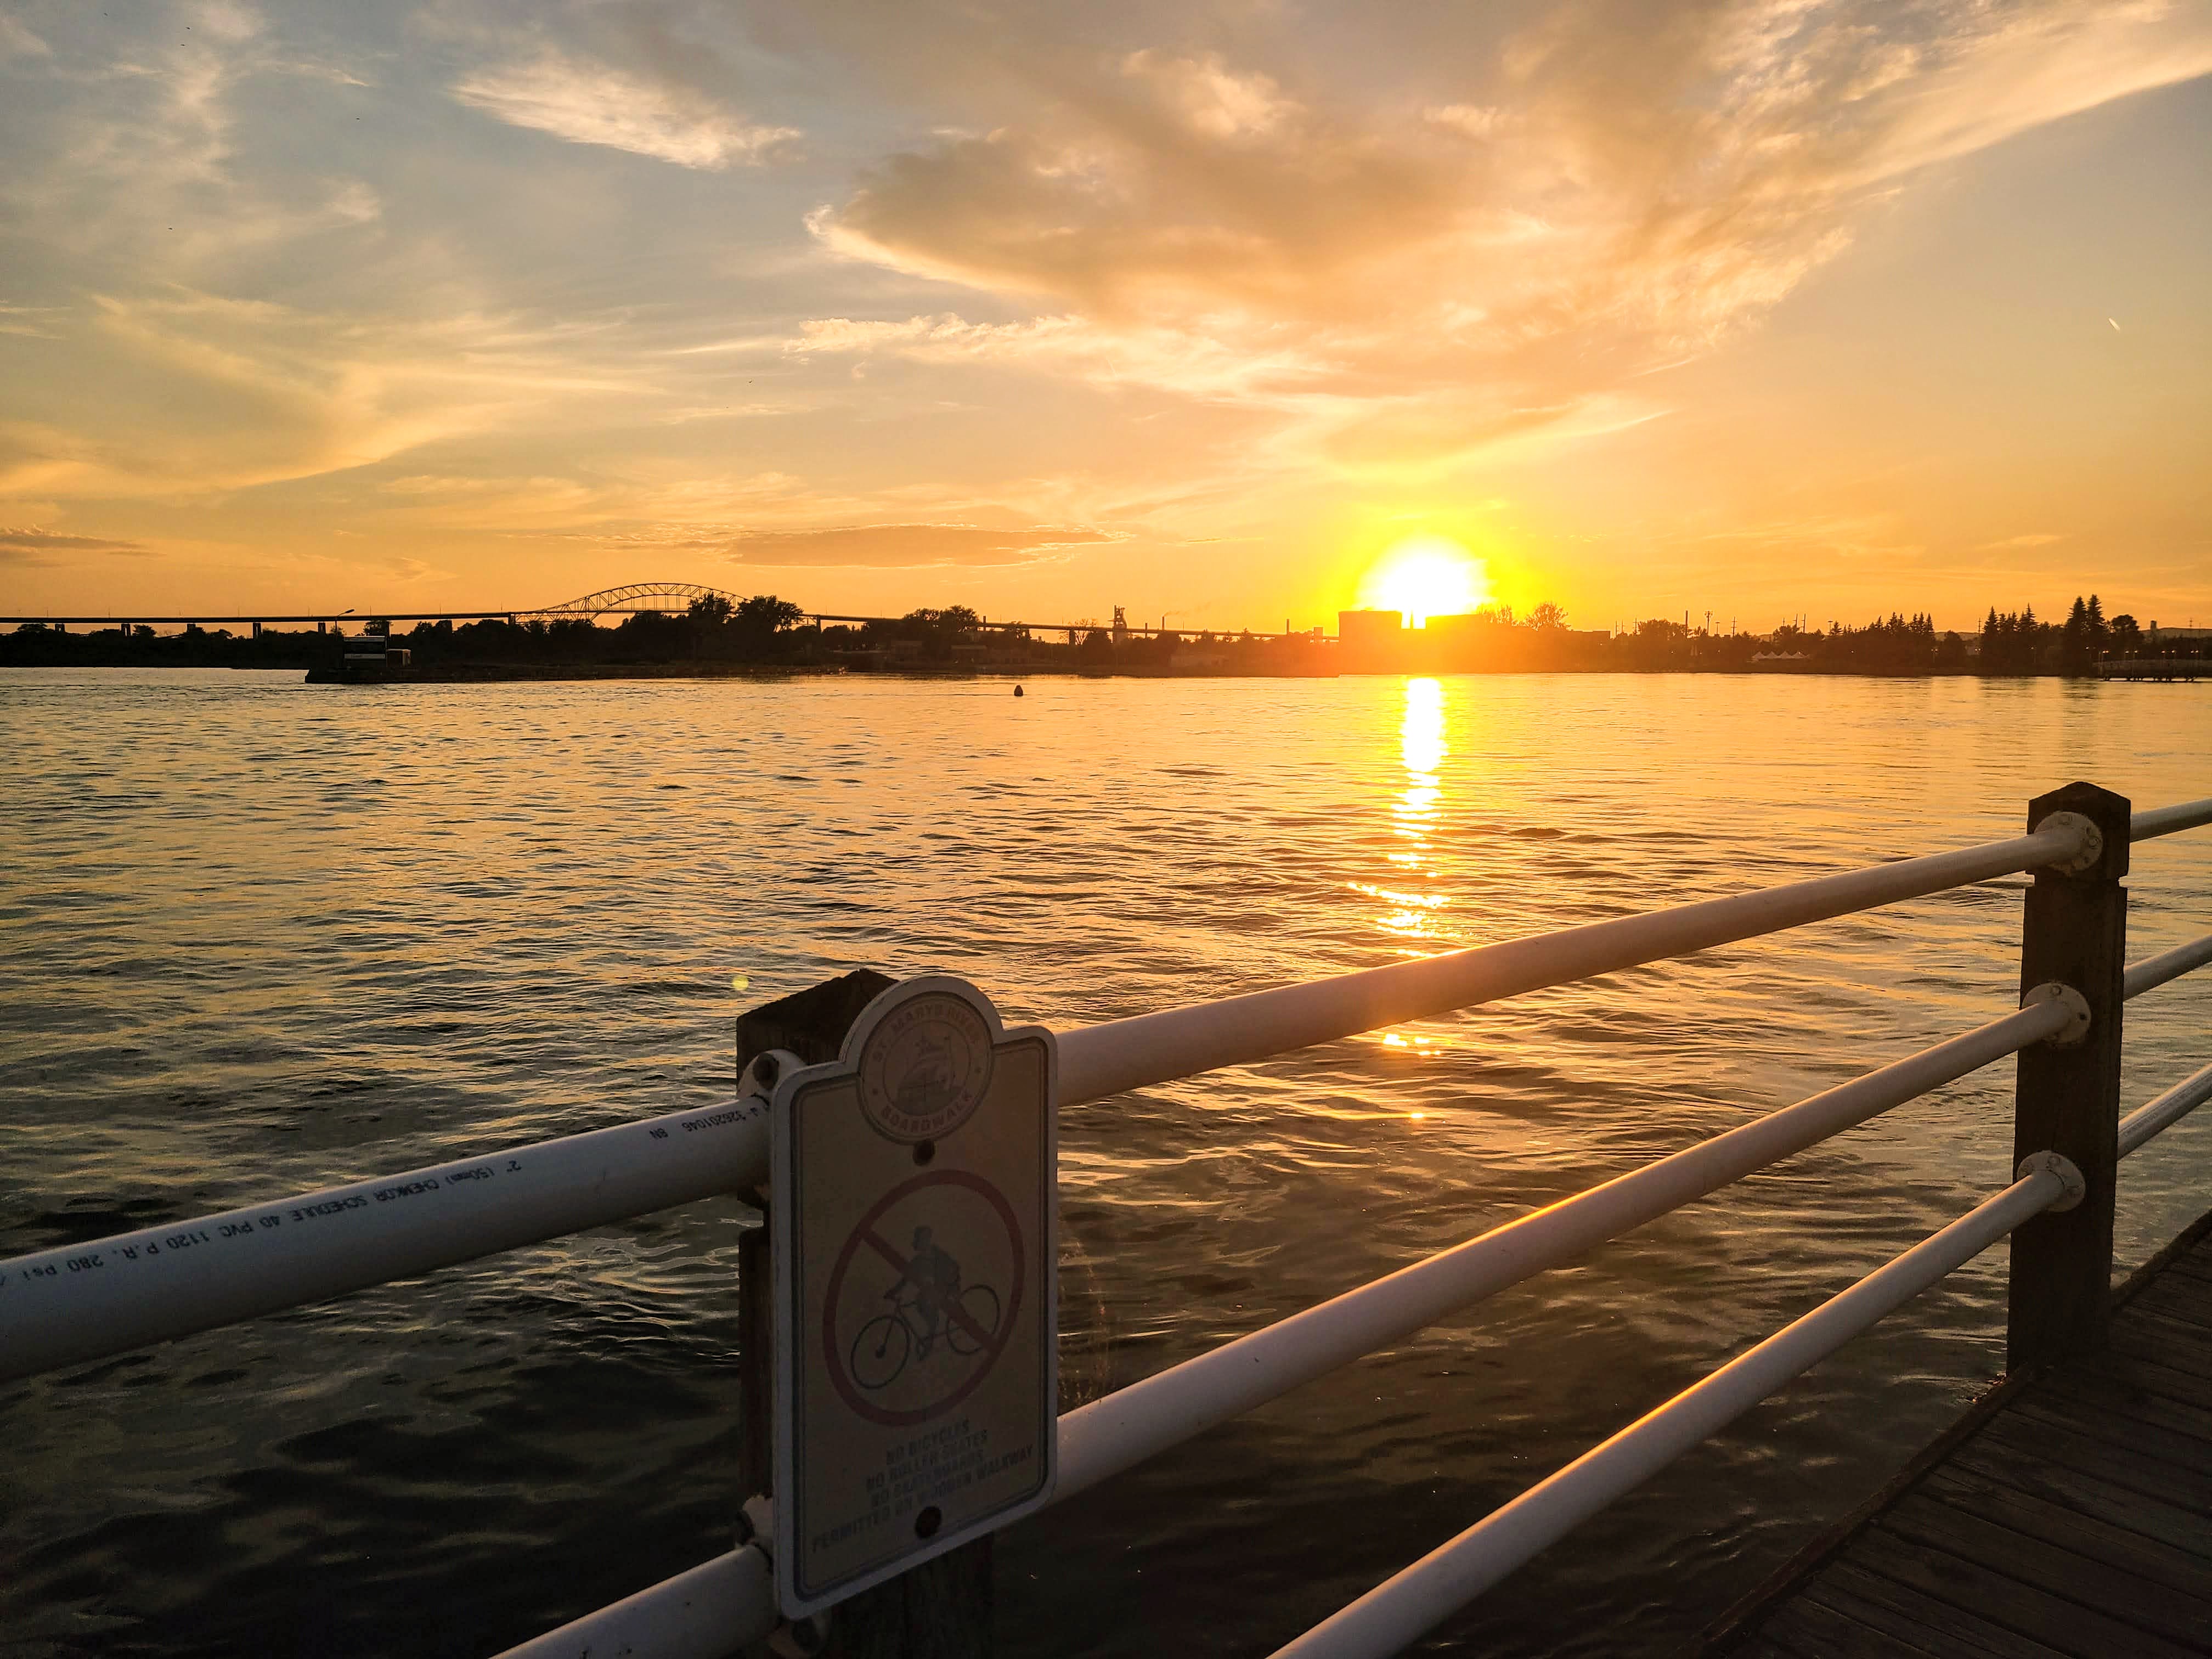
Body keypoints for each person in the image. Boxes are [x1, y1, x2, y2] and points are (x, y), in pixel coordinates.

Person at [893, 1225, 962, 1357]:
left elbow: (954, 1267)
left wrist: (950, 1282)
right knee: (922, 1301)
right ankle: (932, 1327)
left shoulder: (938, 1253)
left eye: (926, 1239)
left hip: (948, 1285)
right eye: (921, 1240)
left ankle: (932, 1333)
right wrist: (894, 1291)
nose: (924, 1243)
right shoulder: (917, 1261)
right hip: (935, 1291)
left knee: (937, 1301)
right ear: (918, 1243)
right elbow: (906, 1278)